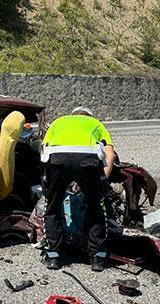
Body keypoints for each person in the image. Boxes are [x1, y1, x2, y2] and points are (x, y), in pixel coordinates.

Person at [40, 106, 115, 272]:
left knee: (52, 206)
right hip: (87, 160)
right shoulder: (95, 123)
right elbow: (110, 154)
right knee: (96, 207)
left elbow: (43, 149)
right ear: (89, 115)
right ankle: (97, 258)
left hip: (57, 158)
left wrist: (49, 179)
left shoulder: (59, 122)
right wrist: (102, 181)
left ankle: (53, 256)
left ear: (72, 115)